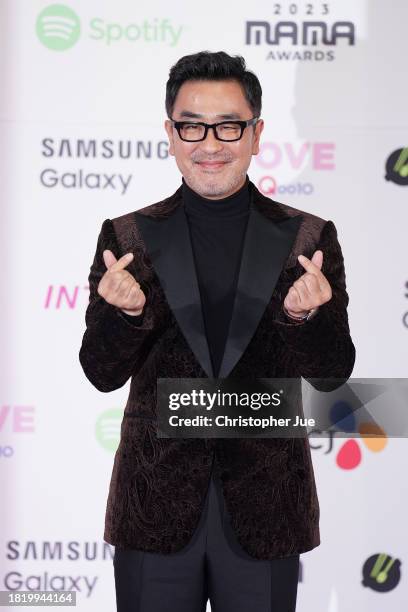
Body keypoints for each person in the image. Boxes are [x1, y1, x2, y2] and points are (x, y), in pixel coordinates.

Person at [79, 50, 356, 612]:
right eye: (192, 125)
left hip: (265, 509)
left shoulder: (308, 239)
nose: (210, 143)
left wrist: (307, 318)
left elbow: (332, 376)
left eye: (229, 125)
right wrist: (123, 316)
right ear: (170, 133)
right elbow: (100, 373)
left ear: (256, 134)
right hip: (153, 506)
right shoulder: (126, 238)